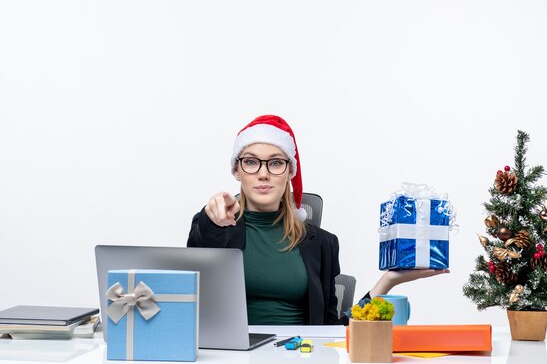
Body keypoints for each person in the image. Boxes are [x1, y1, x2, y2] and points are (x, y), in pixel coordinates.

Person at [187, 114, 448, 325]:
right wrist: (211, 221)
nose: (263, 174)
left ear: (290, 171)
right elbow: (193, 280)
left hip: (299, 355)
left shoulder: (321, 243)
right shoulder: (214, 227)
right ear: (236, 170)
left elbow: (334, 330)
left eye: (276, 163)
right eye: (251, 162)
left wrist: (389, 281)